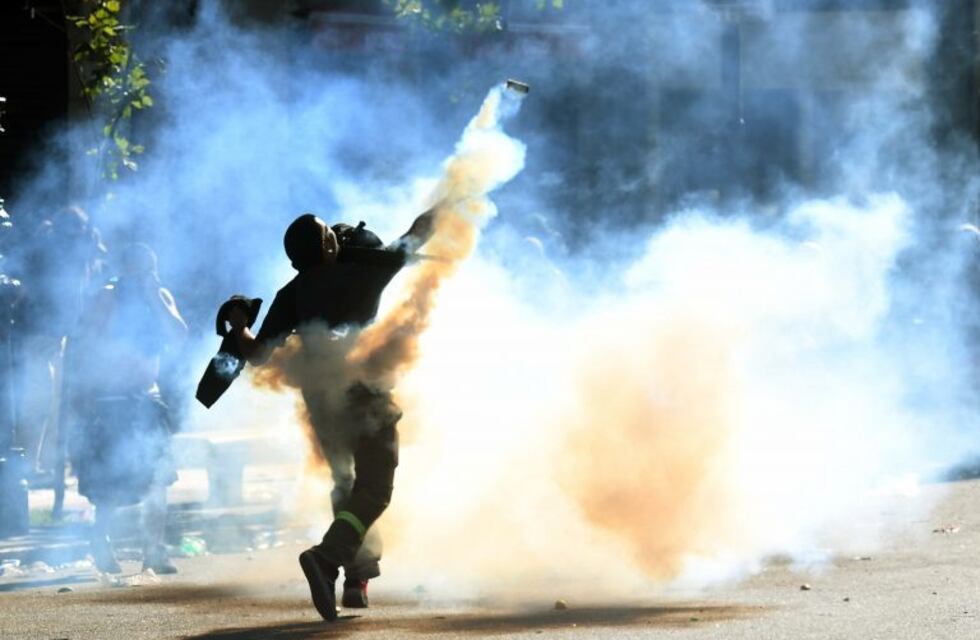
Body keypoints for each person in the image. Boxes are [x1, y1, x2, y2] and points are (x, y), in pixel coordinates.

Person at [228, 208, 435, 620]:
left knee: (346, 483)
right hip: (365, 393)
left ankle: (357, 577)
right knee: (374, 490)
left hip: (320, 400)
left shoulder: (290, 294)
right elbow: (417, 234)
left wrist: (237, 326)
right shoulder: (363, 274)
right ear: (328, 245)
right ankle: (327, 559)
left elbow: (257, 355)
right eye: (330, 235)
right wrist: (454, 197)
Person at [69, 243, 187, 574]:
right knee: (110, 484)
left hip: (147, 398)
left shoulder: (159, 297)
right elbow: (84, 346)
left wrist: (153, 297)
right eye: (137, 271)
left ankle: (154, 551)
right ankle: (100, 540)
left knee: (158, 479)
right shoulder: (105, 298)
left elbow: (179, 335)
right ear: (124, 271)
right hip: (110, 400)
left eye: (148, 271)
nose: (143, 277)